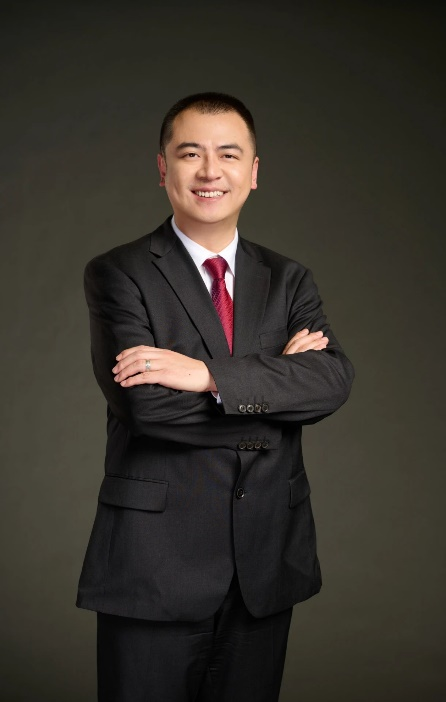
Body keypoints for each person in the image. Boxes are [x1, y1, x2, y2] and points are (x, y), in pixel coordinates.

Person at [76, 92, 354, 702]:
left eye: (228, 155)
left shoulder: (289, 279)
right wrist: (278, 389)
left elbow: (333, 380)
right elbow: (147, 408)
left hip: (265, 562)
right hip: (154, 566)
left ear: (253, 172)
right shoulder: (119, 272)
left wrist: (207, 377)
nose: (210, 171)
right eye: (190, 154)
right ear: (163, 168)